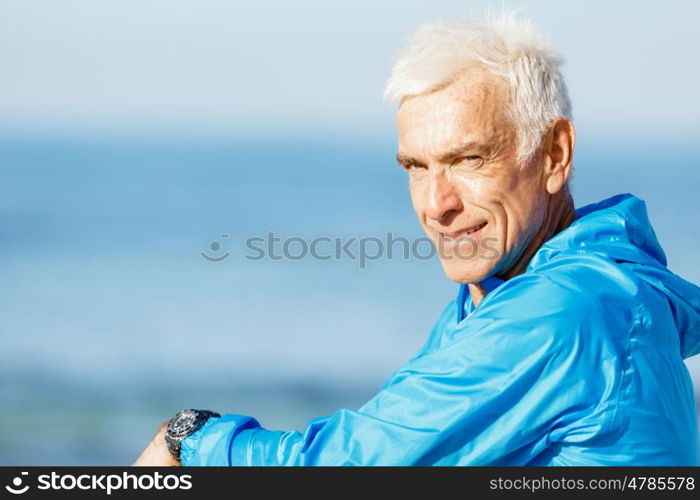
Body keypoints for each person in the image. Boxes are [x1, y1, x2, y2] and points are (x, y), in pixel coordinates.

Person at [133, 11, 700, 466]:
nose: (436, 205)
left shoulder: (561, 312)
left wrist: (190, 439)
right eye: (416, 167)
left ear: (554, 155)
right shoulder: (558, 286)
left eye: (468, 159)